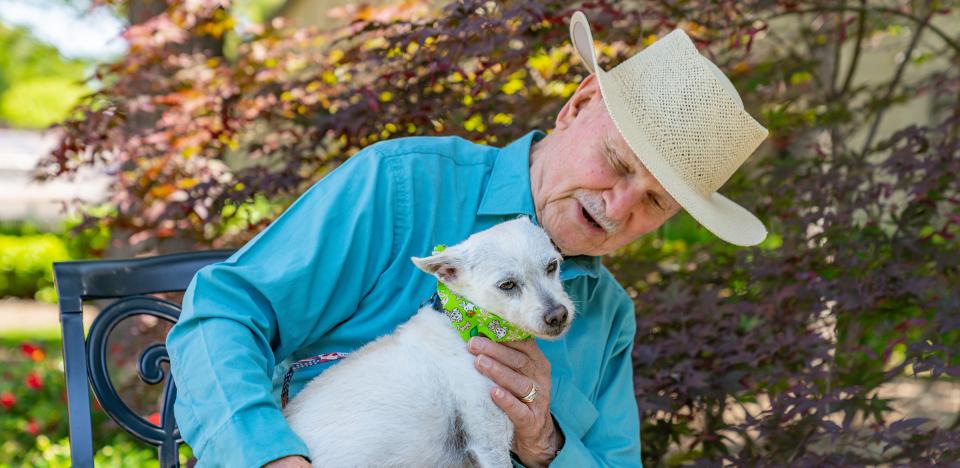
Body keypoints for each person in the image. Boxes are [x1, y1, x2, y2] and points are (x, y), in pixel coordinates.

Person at [167, 11, 768, 468]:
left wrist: (544, 441)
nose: (617, 205)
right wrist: (273, 458)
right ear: (578, 105)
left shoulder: (607, 316)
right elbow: (221, 314)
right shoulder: (402, 185)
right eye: (616, 160)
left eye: (656, 201)